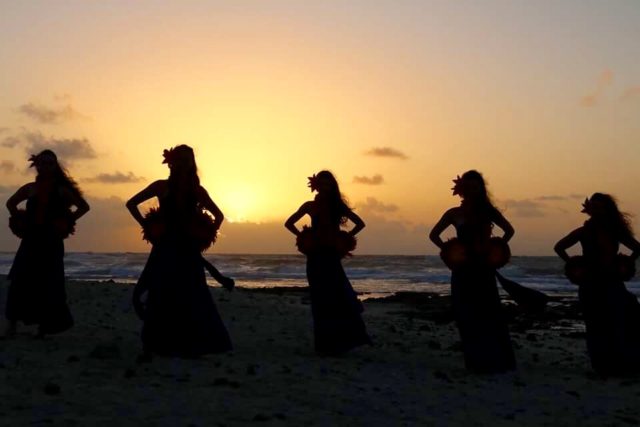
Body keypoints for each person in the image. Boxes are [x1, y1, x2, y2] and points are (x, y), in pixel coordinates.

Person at [126, 145, 232, 359]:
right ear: (171, 162)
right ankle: (155, 343)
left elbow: (218, 216)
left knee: (192, 295)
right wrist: (148, 227)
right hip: (164, 249)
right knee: (160, 293)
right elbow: (132, 204)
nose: (183, 163)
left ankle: (191, 343)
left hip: (188, 251)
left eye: (187, 159)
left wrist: (205, 236)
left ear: (192, 163)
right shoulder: (160, 186)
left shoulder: (198, 191)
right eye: (180, 159)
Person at [429, 170, 516, 373]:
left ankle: (496, 359)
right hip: (462, 270)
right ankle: (475, 360)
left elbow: (509, 231)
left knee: (489, 313)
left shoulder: (489, 211)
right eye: (467, 187)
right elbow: (434, 235)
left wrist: (497, 249)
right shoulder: (453, 213)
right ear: (461, 189)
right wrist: (450, 251)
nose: (470, 191)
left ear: (480, 188)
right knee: (466, 313)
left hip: (483, 269)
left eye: (475, 187)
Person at [285, 170, 371, 356]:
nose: (324, 187)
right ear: (315, 185)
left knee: (338, 297)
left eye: (327, 184)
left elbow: (360, 224)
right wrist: (304, 236)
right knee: (319, 300)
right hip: (315, 257)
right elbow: (289, 223)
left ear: (332, 186)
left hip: (331, 257)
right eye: (321, 184)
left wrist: (344, 239)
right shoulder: (309, 205)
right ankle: (324, 345)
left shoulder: (337, 205)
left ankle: (341, 342)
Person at [5, 150, 89, 337]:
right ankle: (12, 324)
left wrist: (68, 221)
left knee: (49, 283)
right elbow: (10, 203)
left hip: (51, 241)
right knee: (20, 280)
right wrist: (19, 220)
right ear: (37, 165)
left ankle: (44, 327)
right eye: (42, 163)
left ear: (55, 166)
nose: (46, 166)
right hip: (31, 239)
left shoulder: (62, 190)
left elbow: (84, 207)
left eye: (50, 163)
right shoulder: (29, 188)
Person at [554, 193, 640, 376]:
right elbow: (559, 246)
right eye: (594, 207)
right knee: (595, 324)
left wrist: (625, 264)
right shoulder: (584, 231)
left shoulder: (615, 231)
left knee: (618, 321)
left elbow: (637, 248)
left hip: (612, 282)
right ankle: (601, 365)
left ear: (607, 210)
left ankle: (620, 362)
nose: (597, 211)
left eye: (601, 207)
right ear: (589, 210)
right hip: (590, 282)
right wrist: (574, 265)